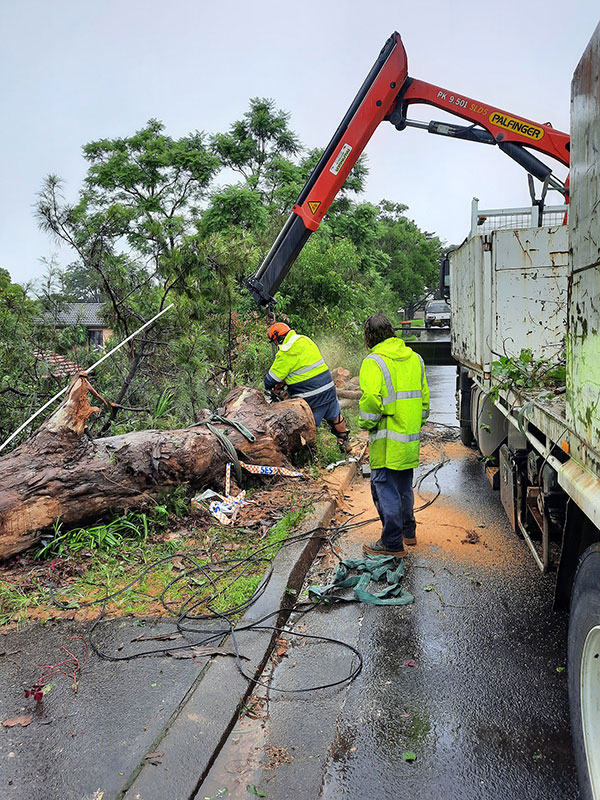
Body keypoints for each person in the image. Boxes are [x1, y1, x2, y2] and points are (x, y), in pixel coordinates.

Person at [358, 314, 429, 557]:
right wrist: (413, 422)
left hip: (386, 442)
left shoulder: (373, 362)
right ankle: (409, 533)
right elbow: (424, 402)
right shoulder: (415, 359)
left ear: (369, 337)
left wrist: (365, 423)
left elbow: (369, 400)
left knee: (384, 488)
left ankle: (392, 542)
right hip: (408, 440)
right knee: (404, 487)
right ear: (392, 331)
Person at [264, 322, 350, 449]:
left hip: (310, 397)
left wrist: (280, 384)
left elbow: (269, 381)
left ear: (277, 340)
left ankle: (309, 450)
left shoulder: (284, 355)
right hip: (328, 387)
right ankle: (345, 441)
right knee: (335, 415)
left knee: (306, 424)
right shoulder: (305, 340)